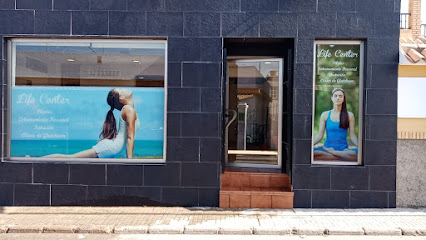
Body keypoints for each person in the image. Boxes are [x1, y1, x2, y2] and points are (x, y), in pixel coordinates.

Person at [44, 88, 140, 159]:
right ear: (121, 98)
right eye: (121, 90)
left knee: (71, 157)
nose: (124, 89)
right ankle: (34, 160)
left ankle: (34, 159)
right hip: (111, 147)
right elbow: (130, 137)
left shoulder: (128, 109)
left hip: (112, 147)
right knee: (71, 157)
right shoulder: (128, 109)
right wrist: (130, 161)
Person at [313, 88, 358, 161]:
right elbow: (319, 136)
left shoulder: (349, 115)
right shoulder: (325, 114)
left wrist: (361, 148)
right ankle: (341, 156)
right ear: (332, 98)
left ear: (343, 99)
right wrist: (309, 145)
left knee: (358, 153)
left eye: (340, 96)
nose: (338, 98)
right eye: (335, 96)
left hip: (343, 149)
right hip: (328, 147)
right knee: (313, 152)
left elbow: (352, 136)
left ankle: (332, 153)